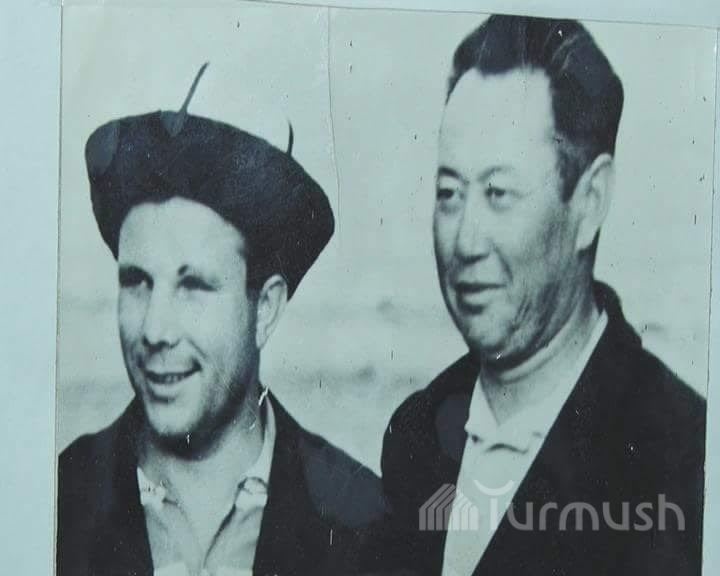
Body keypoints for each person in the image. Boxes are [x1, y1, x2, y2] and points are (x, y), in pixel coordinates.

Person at [380, 15, 706, 576]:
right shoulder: (415, 434)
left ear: (590, 202)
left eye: (499, 192)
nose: (465, 241)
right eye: (449, 193)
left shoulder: (682, 455)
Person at [57, 64, 385, 576]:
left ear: (266, 309)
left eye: (193, 286)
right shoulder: (57, 499)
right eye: (138, 282)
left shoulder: (363, 525)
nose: (155, 330)